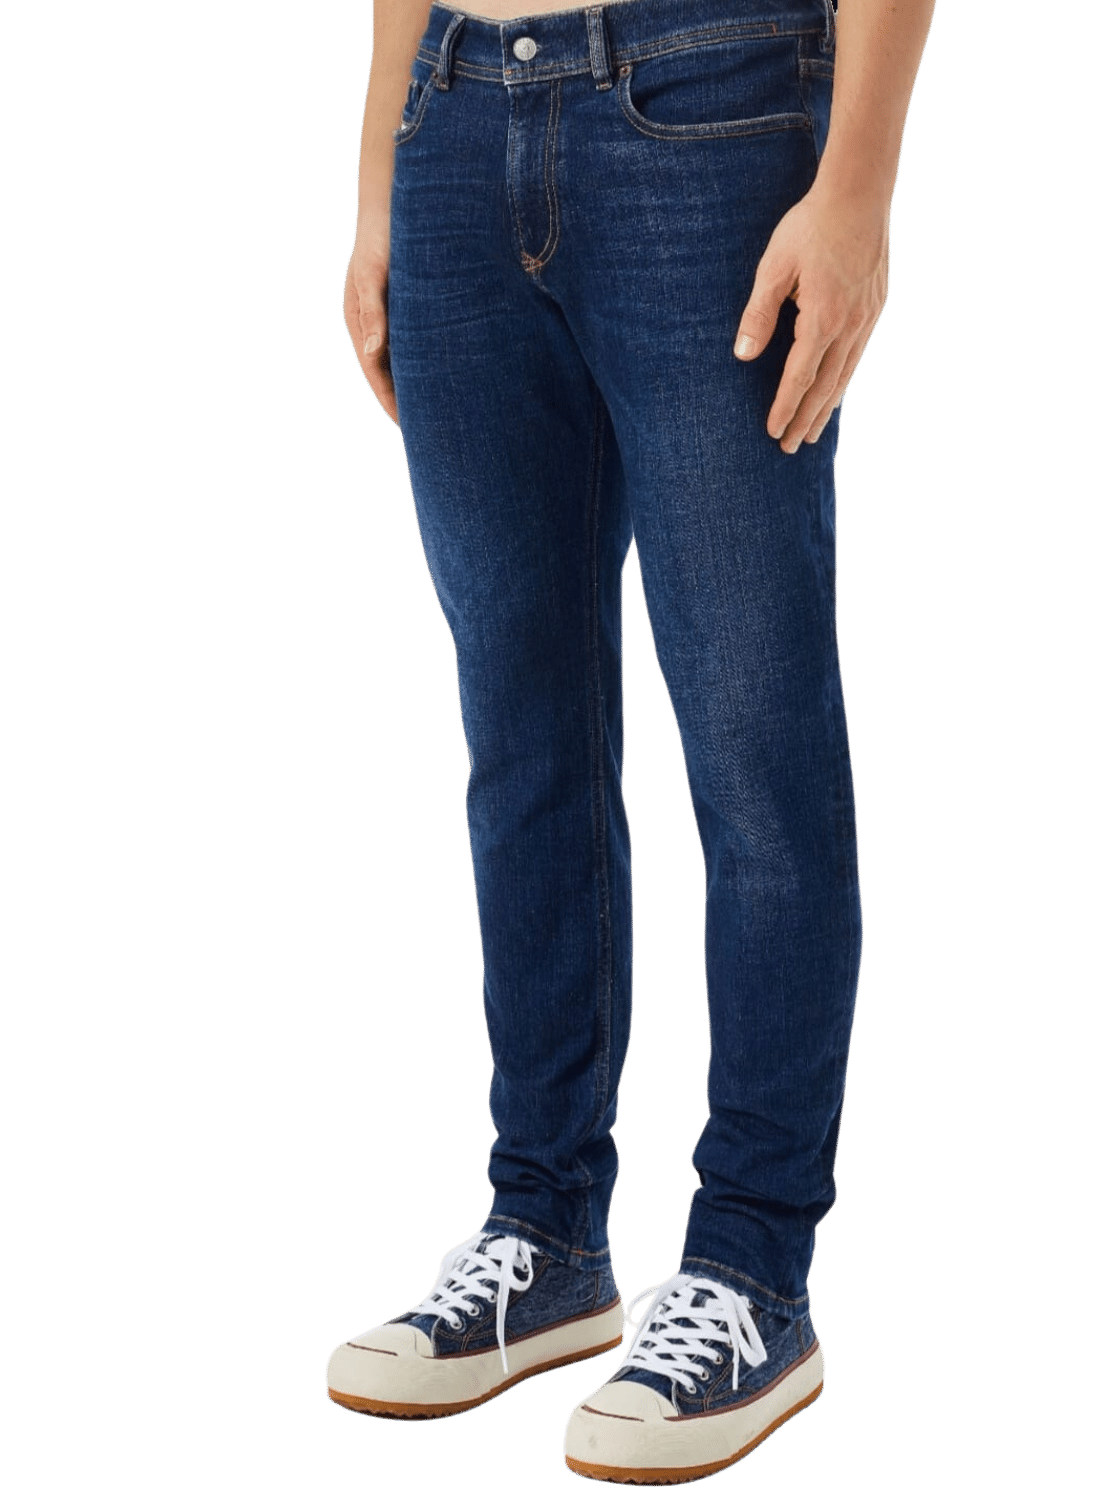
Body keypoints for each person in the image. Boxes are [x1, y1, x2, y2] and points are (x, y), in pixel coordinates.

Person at [327, 0, 937, 1482]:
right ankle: (543, 1235)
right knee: (519, 743)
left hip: (709, 106)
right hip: (454, 111)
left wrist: (857, 188)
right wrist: (381, 177)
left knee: (754, 748)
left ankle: (751, 1274)